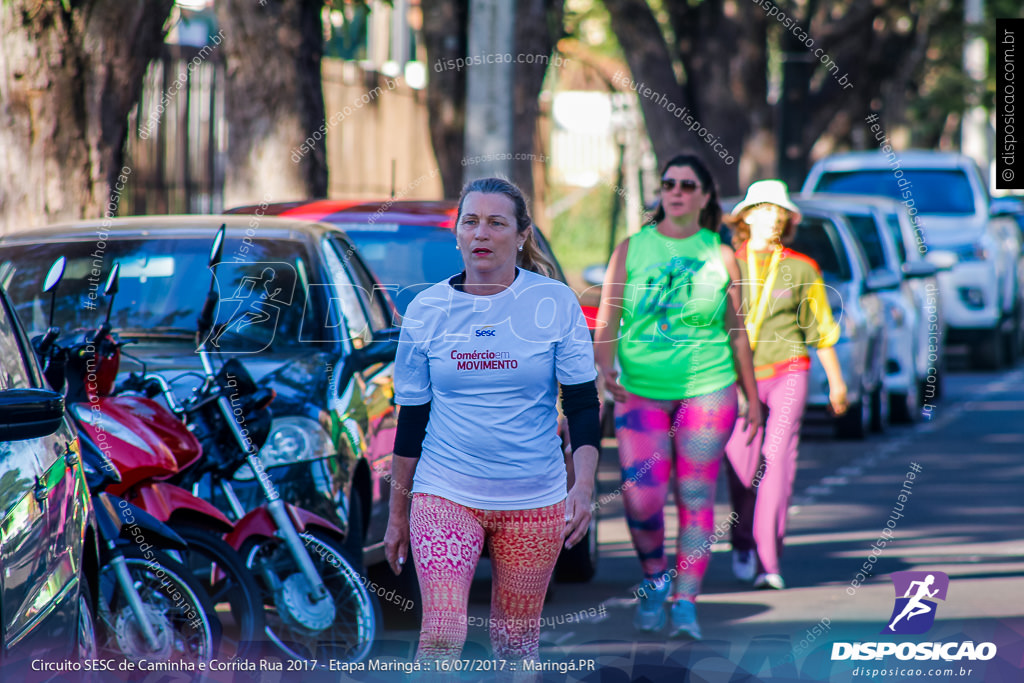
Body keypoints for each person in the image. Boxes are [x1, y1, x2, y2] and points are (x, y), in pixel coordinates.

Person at [383, 177, 602, 675]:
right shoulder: (427, 310)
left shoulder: (554, 303)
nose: (482, 232)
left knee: (514, 644)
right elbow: (411, 418)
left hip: (533, 499)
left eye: (497, 222)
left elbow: (584, 403)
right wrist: (398, 514)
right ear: (457, 233)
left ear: (522, 234)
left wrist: (583, 485)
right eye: (471, 221)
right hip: (445, 491)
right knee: (441, 632)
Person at [594, 153, 760, 640]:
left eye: (688, 184)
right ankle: (653, 582)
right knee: (642, 499)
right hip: (639, 391)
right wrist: (603, 370)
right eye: (669, 182)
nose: (677, 190)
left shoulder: (721, 254)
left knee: (694, 495)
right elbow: (609, 314)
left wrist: (751, 395)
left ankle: (685, 600)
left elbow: (736, 333)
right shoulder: (632, 248)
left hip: (708, 389)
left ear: (705, 196)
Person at [722, 179, 848, 590]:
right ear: (745, 218)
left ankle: (768, 561)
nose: (772, 218)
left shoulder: (801, 267)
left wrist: (836, 382)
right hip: (736, 378)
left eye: (779, 212)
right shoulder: (726, 263)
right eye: (763, 209)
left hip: (789, 371)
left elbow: (820, 330)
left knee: (776, 464)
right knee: (742, 467)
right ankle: (742, 539)